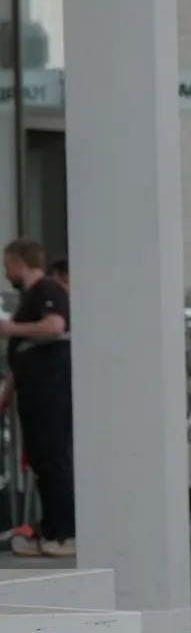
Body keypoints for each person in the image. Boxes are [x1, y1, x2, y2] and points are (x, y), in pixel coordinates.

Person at [0, 238, 73, 557]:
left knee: (54, 460)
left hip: (50, 391)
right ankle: (49, 531)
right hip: (33, 392)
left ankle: (66, 533)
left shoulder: (48, 290)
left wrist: (11, 329)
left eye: (7, 266)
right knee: (42, 462)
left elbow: (55, 326)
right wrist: (6, 393)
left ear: (19, 263)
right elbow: (22, 354)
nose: (6, 273)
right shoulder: (30, 298)